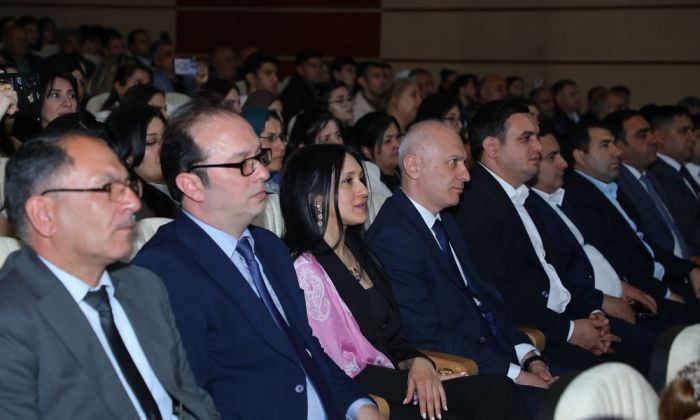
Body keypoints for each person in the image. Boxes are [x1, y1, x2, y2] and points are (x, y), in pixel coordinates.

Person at [132, 97, 383, 419]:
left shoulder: (268, 247)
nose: (263, 172)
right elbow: (193, 400)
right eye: (243, 164)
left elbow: (307, 349)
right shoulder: (162, 270)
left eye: (259, 157)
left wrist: (359, 406)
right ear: (191, 185)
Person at [280, 143, 530, 420]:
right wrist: (414, 382)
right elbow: (335, 365)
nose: (363, 190)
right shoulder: (305, 270)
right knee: (495, 395)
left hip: (399, 383)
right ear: (316, 197)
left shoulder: (361, 253)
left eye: (361, 179)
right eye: (348, 181)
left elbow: (395, 337)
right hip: (368, 399)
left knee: (499, 391)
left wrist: (419, 363)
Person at [0, 128, 218, 419]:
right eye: (107, 188)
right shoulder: (10, 318)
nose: (133, 203)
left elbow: (194, 404)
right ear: (44, 214)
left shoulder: (143, 286)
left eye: (129, 186)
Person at [367, 121, 558, 414]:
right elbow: (427, 335)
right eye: (453, 162)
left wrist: (529, 356)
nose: (466, 175)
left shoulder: (446, 219)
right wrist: (516, 374)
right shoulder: (393, 237)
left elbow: (487, 300)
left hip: (501, 356)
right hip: (469, 375)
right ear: (413, 167)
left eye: (464, 163)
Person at [452, 101, 620, 371]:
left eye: (537, 137)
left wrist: (592, 315)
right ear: (492, 147)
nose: (538, 147)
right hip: (533, 338)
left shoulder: (523, 194)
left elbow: (556, 273)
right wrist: (570, 330)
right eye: (526, 138)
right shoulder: (473, 204)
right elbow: (499, 296)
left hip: (566, 320)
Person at [106, 104, 175, 218]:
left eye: (166, 137)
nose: (164, 147)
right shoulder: (135, 207)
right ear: (128, 156)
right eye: (151, 142)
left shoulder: (185, 179)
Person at [647, 106, 700, 256]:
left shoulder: (680, 170)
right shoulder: (659, 174)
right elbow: (686, 229)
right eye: (684, 131)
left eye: (692, 131)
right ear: (660, 136)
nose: (692, 138)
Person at [11, 71, 79, 142]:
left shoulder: (83, 139)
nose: (68, 103)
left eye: (72, 96)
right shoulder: (22, 145)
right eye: (55, 95)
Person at [351, 112, 401, 195]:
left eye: (398, 137)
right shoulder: (370, 186)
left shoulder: (405, 170)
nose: (397, 145)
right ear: (367, 151)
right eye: (388, 141)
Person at [241, 107, 286, 194]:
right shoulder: (238, 194)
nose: (282, 147)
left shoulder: (282, 180)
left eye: (281, 137)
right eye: (270, 138)